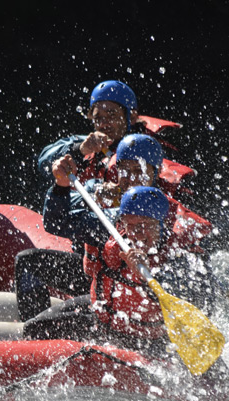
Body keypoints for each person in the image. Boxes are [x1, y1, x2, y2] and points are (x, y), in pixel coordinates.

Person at [15, 134, 212, 321]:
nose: (131, 178)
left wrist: (151, 268)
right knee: (28, 261)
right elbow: (56, 223)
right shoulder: (104, 197)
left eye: (139, 170)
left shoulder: (173, 216)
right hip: (103, 287)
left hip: (144, 302)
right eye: (125, 170)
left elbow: (195, 283)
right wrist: (62, 185)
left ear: (157, 172)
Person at [23, 185, 221, 363]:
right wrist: (60, 187)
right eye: (131, 225)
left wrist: (149, 278)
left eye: (145, 225)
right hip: (101, 318)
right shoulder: (108, 230)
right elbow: (57, 222)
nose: (137, 234)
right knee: (34, 329)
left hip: (150, 341)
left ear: (161, 225)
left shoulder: (179, 257)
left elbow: (195, 300)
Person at [34, 80, 195, 210]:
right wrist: (80, 150)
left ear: (131, 117)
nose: (104, 124)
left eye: (111, 115)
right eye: (98, 118)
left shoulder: (152, 147)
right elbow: (44, 164)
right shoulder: (86, 144)